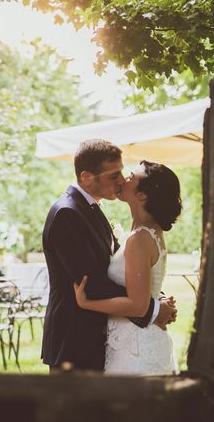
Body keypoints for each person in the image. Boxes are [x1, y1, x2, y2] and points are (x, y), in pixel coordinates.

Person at [41, 140, 177, 372]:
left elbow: (126, 274)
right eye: (114, 175)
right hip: (75, 342)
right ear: (86, 177)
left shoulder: (91, 209)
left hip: (103, 342)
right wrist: (152, 309)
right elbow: (92, 284)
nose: (121, 180)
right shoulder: (67, 214)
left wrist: (154, 296)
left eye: (123, 173)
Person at [73, 160, 181, 375]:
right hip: (131, 342)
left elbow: (138, 306)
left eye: (131, 177)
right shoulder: (145, 232)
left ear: (142, 195)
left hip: (136, 349)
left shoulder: (140, 238)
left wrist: (87, 303)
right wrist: (158, 303)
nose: (123, 179)